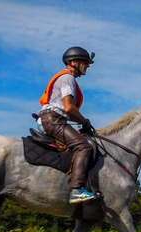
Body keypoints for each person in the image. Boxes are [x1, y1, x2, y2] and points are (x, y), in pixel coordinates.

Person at [38, 46, 96, 204]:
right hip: (53, 120)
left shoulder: (68, 78)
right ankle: (77, 190)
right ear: (74, 62)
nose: (87, 67)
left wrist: (82, 123)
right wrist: (84, 121)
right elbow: (69, 107)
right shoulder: (67, 78)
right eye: (85, 63)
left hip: (53, 119)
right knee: (84, 147)